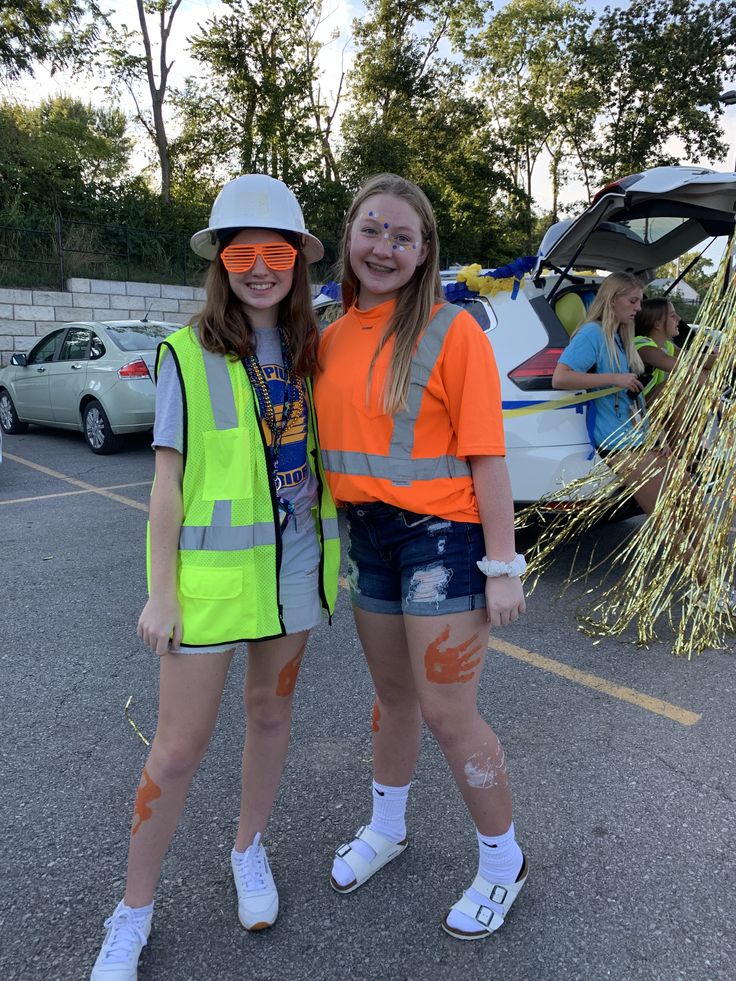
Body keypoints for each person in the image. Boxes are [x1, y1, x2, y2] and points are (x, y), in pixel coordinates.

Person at [91, 174, 339, 980]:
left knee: (270, 716)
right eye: (242, 252)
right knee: (175, 750)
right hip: (206, 583)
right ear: (220, 260)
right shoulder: (184, 353)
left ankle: (248, 848)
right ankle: (131, 912)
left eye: (277, 252)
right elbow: (165, 482)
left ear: (299, 261)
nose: (260, 268)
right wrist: (160, 591)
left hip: (295, 570)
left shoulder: (313, 348)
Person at [314, 173, 527, 941]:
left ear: (424, 251)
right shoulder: (330, 336)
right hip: (369, 540)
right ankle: (388, 829)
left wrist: (502, 565)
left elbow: (488, 457)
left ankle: (503, 862)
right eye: (373, 229)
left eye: (403, 236)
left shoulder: (452, 330)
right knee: (393, 697)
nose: (385, 246)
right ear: (350, 237)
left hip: (443, 541)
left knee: (447, 711)